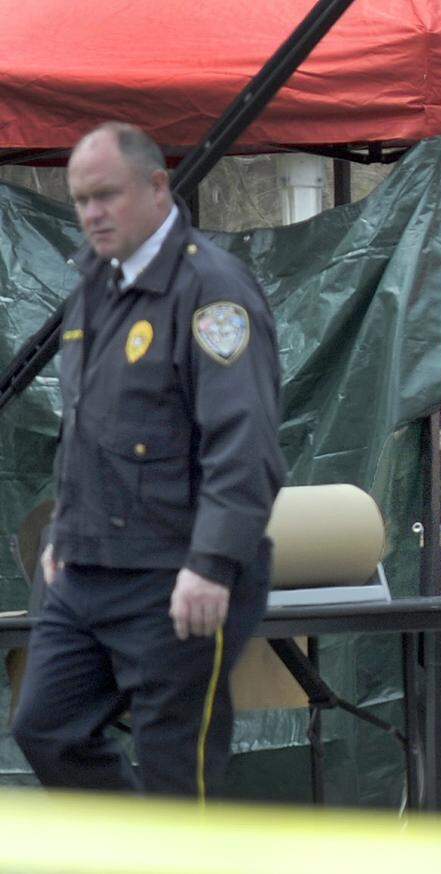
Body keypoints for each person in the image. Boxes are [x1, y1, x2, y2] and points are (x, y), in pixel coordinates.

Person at [12, 122, 286, 799]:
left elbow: (243, 441)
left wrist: (212, 564)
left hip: (175, 573)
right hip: (87, 566)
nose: (92, 214)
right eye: (80, 200)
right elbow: (90, 427)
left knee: (176, 777)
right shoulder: (95, 287)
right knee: (47, 730)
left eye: (107, 195)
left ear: (158, 186)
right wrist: (66, 532)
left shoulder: (211, 290)